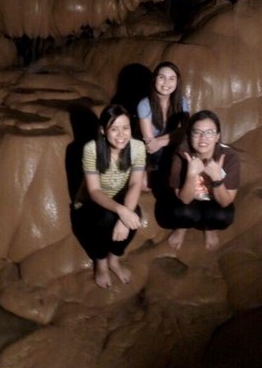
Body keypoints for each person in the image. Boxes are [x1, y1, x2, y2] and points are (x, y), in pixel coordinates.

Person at [71, 104, 146, 288]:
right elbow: (94, 191)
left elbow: (136, 183)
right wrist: (122, 211)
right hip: (90, 204)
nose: (121, 134)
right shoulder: (92, 149)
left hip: (118, 200)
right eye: (114, 129)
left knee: (135, 216)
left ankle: (114, 259)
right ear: (103, 130)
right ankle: (102, 262)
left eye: (125, 128)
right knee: (107, 217)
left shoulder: (137, 148)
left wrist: (126, 215)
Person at [156, 110, 239, 251]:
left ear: (217, 136)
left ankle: (210, 228)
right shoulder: (181, 156)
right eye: (197, 132)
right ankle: (182, 228)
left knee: (223, 216)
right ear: (189, 135)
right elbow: (184, 200)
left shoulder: (229, 157)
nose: (203, 138)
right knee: (182, 213)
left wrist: (216, 178)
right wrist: (191, 174)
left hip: (215, 201)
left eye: (210, 132)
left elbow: (226, 201)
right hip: (189, 201)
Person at [137, 61, 190, 187]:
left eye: (172, 78)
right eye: (162, 77)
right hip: (152, 153)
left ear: (177, 82)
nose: (166, 83)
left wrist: (160, 141)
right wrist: (175, 135)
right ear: (155, 79)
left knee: (186, 146)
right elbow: (150, 144)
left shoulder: (182, 102)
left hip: (171, 147)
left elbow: (186, 132)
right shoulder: (144, 105)